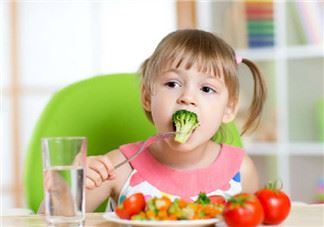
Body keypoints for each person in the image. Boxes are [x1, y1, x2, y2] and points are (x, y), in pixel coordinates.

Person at [85, 29, 266, 212]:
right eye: (172, 84)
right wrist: (77, 180)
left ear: (229, 109)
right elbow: (66, 218)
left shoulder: (242, 170)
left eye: (206, 89)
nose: (187, 97)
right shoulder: (119, 165)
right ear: (147, 98)